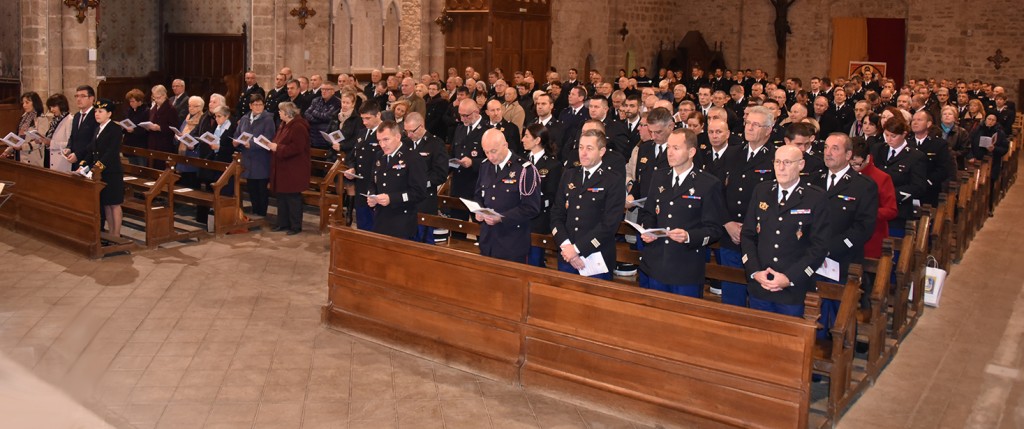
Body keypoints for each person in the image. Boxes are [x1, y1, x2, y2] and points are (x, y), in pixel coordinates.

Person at [741, 145, 831, 317]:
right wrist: (755, 271)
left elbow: (819, 246)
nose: (781, 168)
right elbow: (748, 235)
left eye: (787, 162)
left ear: (801, 165)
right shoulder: (762, 191)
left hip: (793, 289)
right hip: (760, 285)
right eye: (777, 162)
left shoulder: (815, 198)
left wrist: (789, 278)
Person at [637, 128, 727, 298]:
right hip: (656, 263)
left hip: (686, 266)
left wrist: (688, 236)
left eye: (676, 148)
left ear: (691, 151)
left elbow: (714, 229)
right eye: (668, 147)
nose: (669, 153)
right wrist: (648, 230)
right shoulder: (659, 176)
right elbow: (648, 213)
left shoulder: (707, 183)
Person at [811, 133, 878, 337]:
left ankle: (840, 350)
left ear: (849, 154)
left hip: (842, 259)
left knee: (839, 313)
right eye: (826, 148)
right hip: (812, 256)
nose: (828, 153)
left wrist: (830, 248)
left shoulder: (863, 186)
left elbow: (863, 228)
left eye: (835, 149)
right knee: (814, 309)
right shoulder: (814, 179)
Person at [718, 106, 777, 306]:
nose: (749, 128)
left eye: (756, 124)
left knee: (759, 298)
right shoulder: (732, 153)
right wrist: (726, 222)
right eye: (748, 123)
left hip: (760, 239)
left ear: (769, 129)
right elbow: (716, 192)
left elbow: (776, 201)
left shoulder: (775, 158)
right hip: (730, 235)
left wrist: (749, 230)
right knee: (731, 296)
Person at [550, 129, 626, 280]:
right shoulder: (569, 174)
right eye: (580, 147)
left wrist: (578, 249)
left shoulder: (612, 180)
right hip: (566, 255)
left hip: (596, 257)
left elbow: (609, 224)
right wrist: (567, 248)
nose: (583, 153)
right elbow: (556, 213)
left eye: (589, 148)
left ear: (602, 151)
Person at [474, 129, 542, 263]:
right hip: (488, 239)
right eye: (486, 152)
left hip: (512, 242)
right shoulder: (485, 166)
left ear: (505, 145)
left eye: (493, 151)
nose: (490, 156)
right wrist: (479, 210)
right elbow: (478, 195)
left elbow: (531, 208)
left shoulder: (524, 170)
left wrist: (501, 218)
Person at [366, 120, 427, 239]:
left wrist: (392, 198)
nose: (382, 145)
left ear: (398, 137)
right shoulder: (380, 156)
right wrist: (372, 196)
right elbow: (373, 182)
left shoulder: (412, 158)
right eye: (379, 140)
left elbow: (419, 192)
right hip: (381, 218)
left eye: (386, 139)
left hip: (402, 220)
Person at [872, 118, 928, 237]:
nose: (889, 139)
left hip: (899, 208)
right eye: (886, 135)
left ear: (904, 134)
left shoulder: (915, 156)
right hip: (876, 206)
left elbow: (918, 187)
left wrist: (891, 194)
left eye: (893, 136)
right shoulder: (878, 149)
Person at [402, 112, 448, 243]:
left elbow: (441, 174)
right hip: (406, 199)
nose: (409, 135)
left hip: (425, 199)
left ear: (421, 126)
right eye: (406, 131)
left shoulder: (435, 144)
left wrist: (421, 183)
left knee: (423, 240)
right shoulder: (405, 143)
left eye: (412, 131)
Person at [268, 102, 311, 235]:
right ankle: (282, 223)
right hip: (283, 166)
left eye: (281, 111)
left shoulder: (298, 126)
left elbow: (298, 147)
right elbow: (279, 140)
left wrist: (278, 148)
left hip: (294, 168)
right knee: (281, 196)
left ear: (287, 113)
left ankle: (295, 226)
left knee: (293, 198)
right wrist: (272, 144)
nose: (279, 113)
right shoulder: (284, 124)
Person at [84, 99, 126, 237]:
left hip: (112, 171)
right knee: (106, 204)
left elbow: (111, 151)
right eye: (96, 111)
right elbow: (92, 149)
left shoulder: (114, 129)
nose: (97, 114)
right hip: (101, 173)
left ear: (109, 114)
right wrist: (82, 165)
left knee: (114, 204)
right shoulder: (98, 128)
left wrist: (97, 167)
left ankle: (117, 234)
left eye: (100, 111)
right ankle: (111, 233)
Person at [522, 124, 561, 267]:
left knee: (534, 262)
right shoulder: (521, 161)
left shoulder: (552, 165)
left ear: (537, 140)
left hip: (539, 218)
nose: (522, 139)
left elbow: (552, 196)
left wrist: (531, 205)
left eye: (526, 136)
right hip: (520, 216)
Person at [850, 140, 897, 261]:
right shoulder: (846, 175)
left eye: (856, 164)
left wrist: (868, 213)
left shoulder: (882, 178)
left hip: (872, 238)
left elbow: (891, 210)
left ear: (867, 158)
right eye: (850, 164)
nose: (853, 168)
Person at [344, 102, 384, 231]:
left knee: (376, 225)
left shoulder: (385, 133)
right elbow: (353, 156)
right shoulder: (362, 133)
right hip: (361, 184)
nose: (365, 122)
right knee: (362, 223)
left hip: (376, 185)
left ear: (378, 115)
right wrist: (352, 167)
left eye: (368, 118)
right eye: (363, 118)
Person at [234, 94, 276, 217]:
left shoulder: (268, 119)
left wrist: (251, 144)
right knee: (251, 188)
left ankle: (261, 214)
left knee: (261, 189)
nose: (258, 107)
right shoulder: (244, 118)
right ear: (250, 106)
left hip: (261, 158)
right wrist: (236, 141)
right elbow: (237, 133)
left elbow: (268, 138)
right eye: (255, 104)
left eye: (260, 104)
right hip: (247, 158)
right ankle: (255, 212)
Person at [447, 100, 486, 226]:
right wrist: (450, 164)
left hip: (477, 185)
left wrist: (473, 163)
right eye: (460, 115)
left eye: (466, 115)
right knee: (457, 226)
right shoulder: (460, 129)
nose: (462, 119)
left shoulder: (487, 130)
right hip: (458, 185)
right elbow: (453, 153)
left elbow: (493, 160)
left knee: (480, 227)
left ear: (476, 112)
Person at [909, 110, 955, 206]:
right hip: (909, 190)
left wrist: (927, 182)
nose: (915, 123)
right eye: (913, 120)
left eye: (919, 120)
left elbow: (943, 169)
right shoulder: (906, 143)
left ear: (928, 124)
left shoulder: (939, 144)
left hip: (929, 192)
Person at [971, 114, 1011, 215]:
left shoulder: (999, 133)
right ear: (985, 120)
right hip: (978, 161)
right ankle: (974, 209)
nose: (990, 121)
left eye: (993, 120)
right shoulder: (977, 130)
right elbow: (970, 143)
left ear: (996, 122)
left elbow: (1004, 148)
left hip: (992, 163)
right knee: (974, 186)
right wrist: (971, 156)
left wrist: (995, 149)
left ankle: (988, 207)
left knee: (990, 185)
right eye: (989, 119)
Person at [142, 85, 180, 169]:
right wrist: (148, 126)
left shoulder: (171, 109)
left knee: (160, 167)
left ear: (164, 96)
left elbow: (174, 128)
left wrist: (160, 128)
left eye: (158, 97)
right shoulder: (154, 107)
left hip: (164, 143)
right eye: (154, 98)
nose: (155, 100)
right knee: (151, 167)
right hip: (152, 141)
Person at [65, 85, 98, 169]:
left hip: (89, 160)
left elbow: (94, 141)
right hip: (75, 160)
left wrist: (78, 154)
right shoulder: (77, 116)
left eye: (82, 96)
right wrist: (69, 148)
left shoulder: (96, 115)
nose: (78, 99)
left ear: (91, 98)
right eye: (77, 96)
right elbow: (73, 136)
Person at [305, 81, 341, 149]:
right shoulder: (316, 100)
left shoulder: (337, 102)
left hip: (325, 137)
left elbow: (327, 116)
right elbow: (307, 113)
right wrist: (319, 119)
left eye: (327, 89)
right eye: (322, 89)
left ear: (333, 91)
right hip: (313, 136)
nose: (324, 91)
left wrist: (314, 113)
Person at [44, 94, 73, 172]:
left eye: (54, 106)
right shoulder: (55, 120)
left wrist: (51, 143)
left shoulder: (69, 120)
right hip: (50, 157)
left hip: (61, 160)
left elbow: (69, 144)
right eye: (50, 107)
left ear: (62, 105)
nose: (52, 109)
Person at [122, 89, 150, 166]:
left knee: (142, 167)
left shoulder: (146, 111)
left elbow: (146, 127)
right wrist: (124, 128)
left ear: (139, 101)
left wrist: (134, 130)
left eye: (133, 101)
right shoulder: (129, 111)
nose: (131, 103)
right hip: (130, 143)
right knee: (133, 167)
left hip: (140, 144)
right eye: (130, 101)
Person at [939, 105, 972, 170]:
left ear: (955, 118)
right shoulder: (934, 131)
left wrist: (952, 154)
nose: (947, 116)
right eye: (944, 114)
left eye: (950, 114)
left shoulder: (962, 132)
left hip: (955, 164)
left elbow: (966, 150)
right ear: (941, 118)